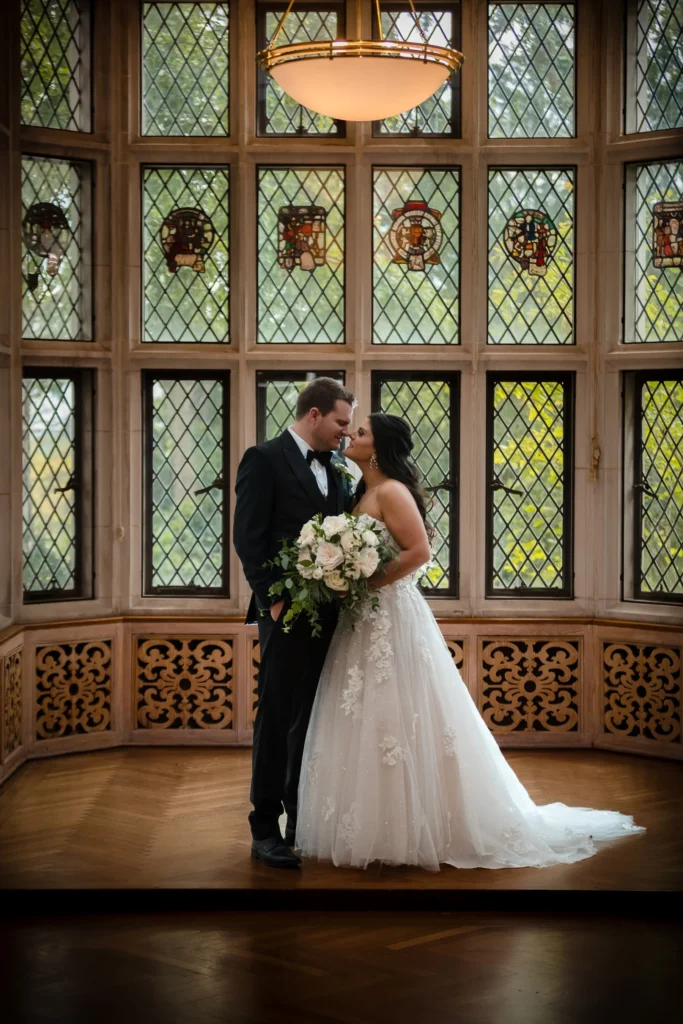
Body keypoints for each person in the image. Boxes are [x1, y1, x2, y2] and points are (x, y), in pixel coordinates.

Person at [296, 413, 645, 870]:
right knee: (365, 715)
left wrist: (364, 581)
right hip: (360, 620)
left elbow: (419, 552)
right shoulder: (365, 492)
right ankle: (374, 830)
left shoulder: (393, 492)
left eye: (360, 433)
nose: (351, 437)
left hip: (389, 616)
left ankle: (420, 829)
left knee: (400, 714)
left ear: (378, 448)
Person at [233, 377, 355, 869]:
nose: (345, 433)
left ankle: (301, 817)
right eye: (340, 423)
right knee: (278, 717)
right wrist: (274, 602)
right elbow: (249, 538)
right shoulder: (263, 459)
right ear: (314, 415)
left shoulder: (340, 467)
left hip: (333, 613)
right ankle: (264, 827)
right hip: (285, 613)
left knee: (314, 716)